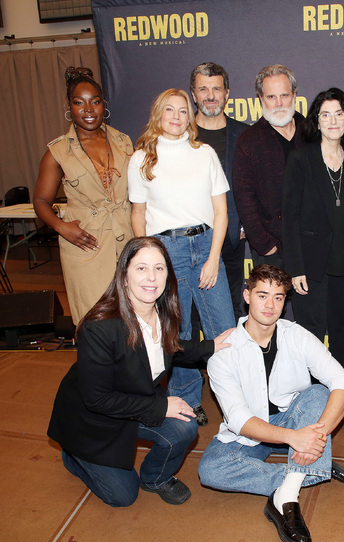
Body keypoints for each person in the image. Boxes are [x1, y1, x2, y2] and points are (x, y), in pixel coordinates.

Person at [47, 237, 231, 507]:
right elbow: (97, 400)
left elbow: (172, 346)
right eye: (141, 268)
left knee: (185, 427)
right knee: (123, 497)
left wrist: (212, 346)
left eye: (159, 268)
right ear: (124, 276)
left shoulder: (163, 309)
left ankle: (154, 478)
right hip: (93, 421)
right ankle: (74, 456)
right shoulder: (99, 327)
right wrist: (159, 406)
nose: (151, 277)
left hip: (133, 400)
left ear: (168, 275)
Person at [198, 265, 344, 542]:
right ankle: (313, 466)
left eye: (278, 297)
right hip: (251, 432)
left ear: (285, 302)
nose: (270, 305)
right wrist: (297, 439)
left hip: (292, 419)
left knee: (318, 394)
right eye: (262, 296)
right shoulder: (224, 351)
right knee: (210, 470)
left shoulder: (296, 335)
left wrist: (315, 436)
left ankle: (286, 497)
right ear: (247, 296)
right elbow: (238, 419)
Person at [128, 89, 236, 426]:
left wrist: (212, 257)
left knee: (225, 328)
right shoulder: (141, 158)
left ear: (190, 116)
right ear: (158, 114)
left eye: (183, 110)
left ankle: (236, 399)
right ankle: (186, 401)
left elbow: (222, 212)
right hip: (165, 250)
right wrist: (149, 263)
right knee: (178, 331)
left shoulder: (204, 153)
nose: (177, 116)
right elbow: (137, 215)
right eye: (169, 110)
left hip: (206, 246)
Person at [282, 88, 344, 407]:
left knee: (342, 326)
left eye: (339, 114)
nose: (333, 121)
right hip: (310, 264)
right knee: (312, 330)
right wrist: (295, 268)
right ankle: (315, 392)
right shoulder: (301, 156)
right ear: (317, 120)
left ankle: (343, 386)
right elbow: (289, 216)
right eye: (325, 114)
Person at [33, 67, 133, 325]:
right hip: (86, 243)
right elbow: (41, 201)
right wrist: (61, 227)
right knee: (94, 320)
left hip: (126, 242)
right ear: (69, 107)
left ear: (104, 105)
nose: (88, 109)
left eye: (95, 102)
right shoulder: (57, 152)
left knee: (131, 317)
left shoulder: (123, 142)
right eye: (79, 103)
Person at [190, 62, 249, 321]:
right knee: (189, 311)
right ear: (193, 94)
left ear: (227, 93)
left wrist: (246, 222)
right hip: (189, 239)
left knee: (232, 308)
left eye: (216, 88)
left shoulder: (245, 135)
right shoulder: (180, 133)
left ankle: (229, 362)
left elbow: (254, 185)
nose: (210, 95)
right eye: (203, 89)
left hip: (232, 240)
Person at [233, 64, 305, 268]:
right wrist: (265, 245)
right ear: (261, 99)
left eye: (284, 95)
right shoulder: (249, 141)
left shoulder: (312, 133)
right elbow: (244, 198)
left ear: (294, 95)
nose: (279, 103)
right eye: (271, 97)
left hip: (313, 243)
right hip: (273, 249)